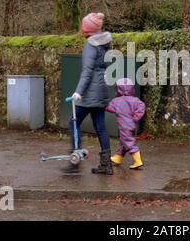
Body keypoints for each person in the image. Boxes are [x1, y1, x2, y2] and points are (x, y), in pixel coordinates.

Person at [62, 12, 113, 175]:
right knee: (100, 127)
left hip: (89, 93)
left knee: (73, 122)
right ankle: (106, 165)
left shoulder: (91, 45)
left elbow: (87, 71)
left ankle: (74, 159)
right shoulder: (104, 43)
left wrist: (78, 92)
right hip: (101, 90)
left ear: (87, 29)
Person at [106, 78, 146, 169]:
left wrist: (102, 104)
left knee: (128, 142)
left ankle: (138, 161)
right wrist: (135, 117)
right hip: (132, 125)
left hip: (124, 127)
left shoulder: (117, 101)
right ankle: (118, 158)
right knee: (123, 142)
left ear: (118, 89)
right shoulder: (135, 100)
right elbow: (142, 106)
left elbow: (108, 107)